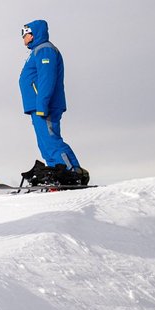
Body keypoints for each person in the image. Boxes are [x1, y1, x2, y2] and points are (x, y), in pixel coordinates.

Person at [19, 20, 89, 186]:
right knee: (44, 143)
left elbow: (46, 79)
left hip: (44, 105)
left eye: (25, 34)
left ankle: (72, 173)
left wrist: (42, 104)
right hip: (36, 106)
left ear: (33, 34)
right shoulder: (37, 51)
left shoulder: (45, 50)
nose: (23, 38)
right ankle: (57, 174)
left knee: (51, 140)